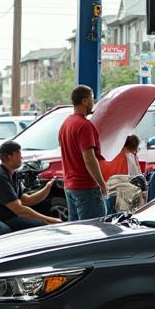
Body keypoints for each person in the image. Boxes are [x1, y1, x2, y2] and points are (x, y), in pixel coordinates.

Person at [0, 139, 61, 244]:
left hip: (3, 219)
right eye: (19, 154)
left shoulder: (13, 175)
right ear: (10, 156)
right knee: (3, 230)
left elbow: (26, 200)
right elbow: (19, 210)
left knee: (39, 227)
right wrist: (49, 219)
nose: (22, 157)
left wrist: (47, 188)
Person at [57, 84, 107, 220]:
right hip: (86, 187)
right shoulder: (85, 125)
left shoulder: (65, 124)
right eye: (92, 99)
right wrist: (102, 184)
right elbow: (89, 159)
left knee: (77, 232)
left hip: (70, 187)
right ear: (85, 101)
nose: (93, 103)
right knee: (94, 230)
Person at [101, 134, 143, 214]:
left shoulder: (111, 154)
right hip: (122, 193)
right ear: (134, 147)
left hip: (107, 190)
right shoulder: (130, 156)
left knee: (107, 216)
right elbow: (137, 176)